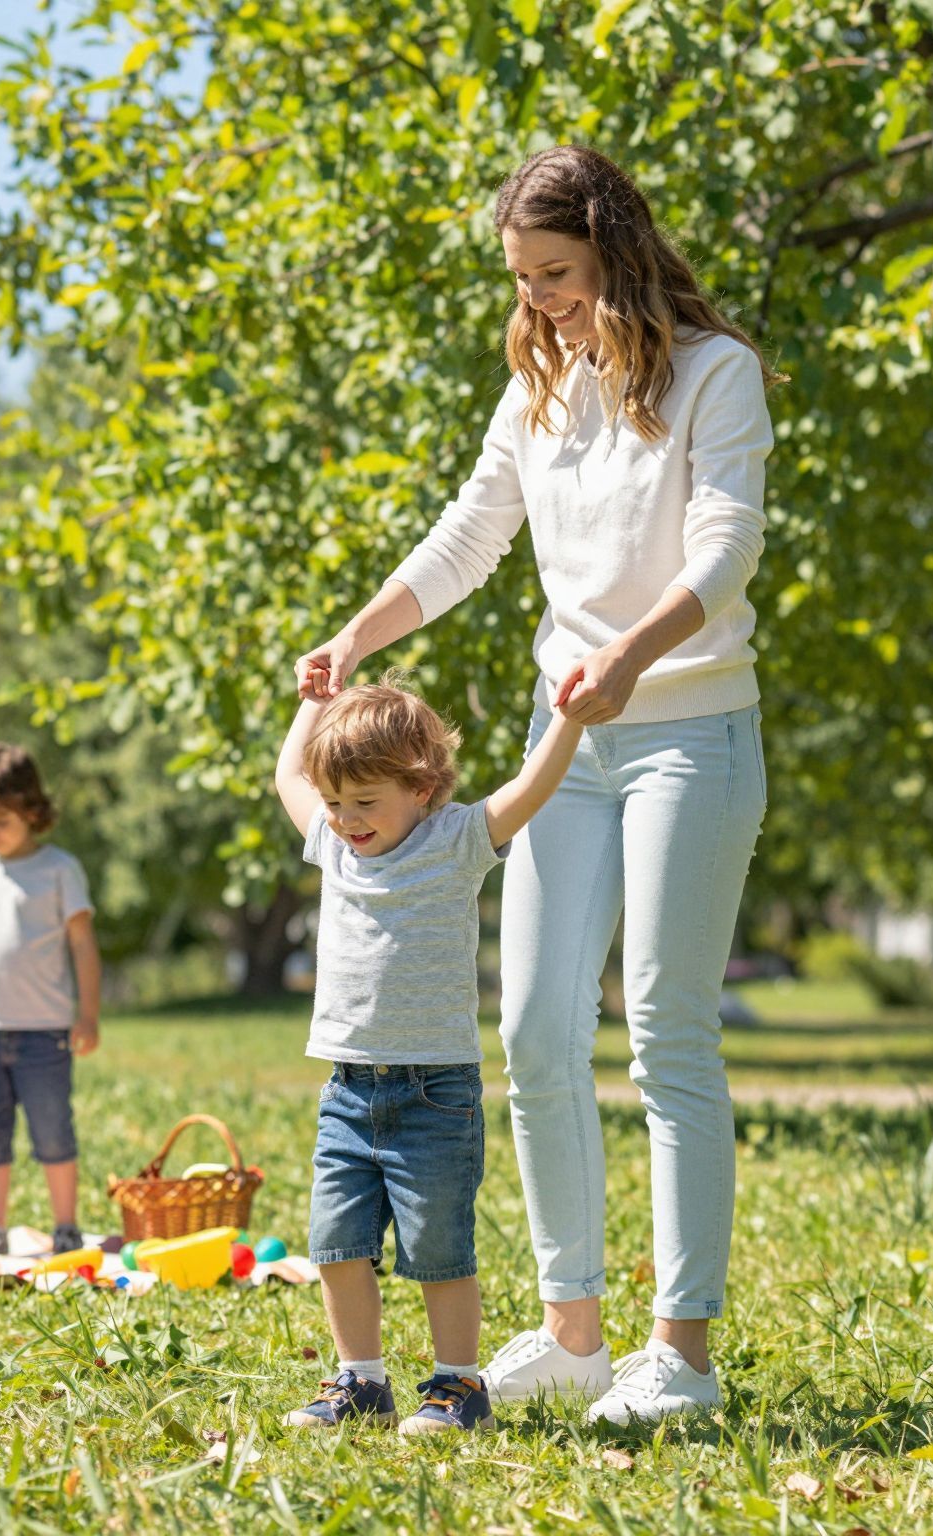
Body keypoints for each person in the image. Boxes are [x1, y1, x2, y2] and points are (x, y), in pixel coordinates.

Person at [294, 145, 774, 1424]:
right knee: (532, 1030)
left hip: (687, 725)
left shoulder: (714, 377)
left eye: (556, 274)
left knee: (666, 1028)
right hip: (566, 733)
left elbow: (726, 546)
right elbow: (468, 535)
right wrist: (360, 632)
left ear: (613, 250)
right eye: (522, 278)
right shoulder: (539, 388)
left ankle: (678, 1352)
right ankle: (571, 1330)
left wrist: (629, 655)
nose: (540, 299)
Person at [273, 676, 581, 1434]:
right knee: (337, 1245)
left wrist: (569, 723)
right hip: (347, 1091)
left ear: (420, 785)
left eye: (364, 802)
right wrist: (314, 699)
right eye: (336, 802)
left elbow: (529, 789)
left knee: (439, 1252)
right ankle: (361, 1381)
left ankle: (457, 1385)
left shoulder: (458, 841)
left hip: (434, 1095)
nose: (346, 820)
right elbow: (288, 775)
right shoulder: (333, 848)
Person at [0, 743, 101, 1261]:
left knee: (53, 1130)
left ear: (32, 811)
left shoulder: (59, 869)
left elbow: (82, 945)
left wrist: (87, 1013)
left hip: (44, 1029)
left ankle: (66, 1226)